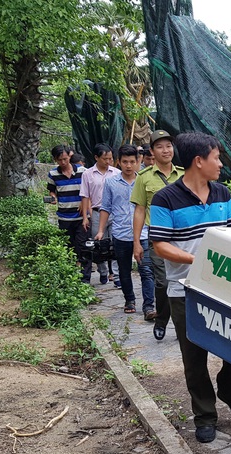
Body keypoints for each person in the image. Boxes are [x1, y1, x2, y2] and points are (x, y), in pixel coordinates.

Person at [149, 132, 231, 444]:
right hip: (185, 290)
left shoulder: (223, 194)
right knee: (194, 358)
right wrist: (199, 259)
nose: (220, 164)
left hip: (225, 289)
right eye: (216, 158)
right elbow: (160, 246)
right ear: (198, 161)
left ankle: (230, 389)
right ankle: (205, 416)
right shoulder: (165, 199)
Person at [132, 129, 183, 339]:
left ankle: (183, 326)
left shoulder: (184, 174)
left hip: (183, 238)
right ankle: (162, 320)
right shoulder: (144, 178)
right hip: (158, 239)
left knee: (183, 283)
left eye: (169, 145)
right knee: (162, 282)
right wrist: (136, 242)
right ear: (152, 151)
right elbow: (140, 210)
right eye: (160, 146)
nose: (166, 150)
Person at [95, 144, 154, 315]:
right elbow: (105, 207)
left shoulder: (143, 180)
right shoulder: (111, 183)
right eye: (125, 162)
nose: (129, 166)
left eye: (132, 162)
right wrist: (100, 230)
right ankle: (130, 300)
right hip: (120, 233)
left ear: (138, 162)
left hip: (143, 233)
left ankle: (149, 305)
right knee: (124, 270)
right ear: (118, 162)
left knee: (146, 270)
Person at [47, 145, 91, 282]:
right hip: (64, 216)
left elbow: (90, 191)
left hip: (82, 216)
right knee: (68, 247)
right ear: (55, 160)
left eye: (65, 159)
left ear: (70, 157)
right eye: (60, 160)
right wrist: (53, 197)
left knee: (84, 246)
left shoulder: (83, 172)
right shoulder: (53, 174)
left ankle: (85, 279)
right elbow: (52, 191)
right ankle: (71, 276)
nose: (63, 162)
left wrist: (84, 204)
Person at [80, 143, 120, 285]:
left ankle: (116, 275)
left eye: (110, 158)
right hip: (97, 212)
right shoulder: (88, 174)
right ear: (96, 157)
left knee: (115, 243)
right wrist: (85, 217)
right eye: (105, 159)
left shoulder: (116, 173)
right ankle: (103, 271)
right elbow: (85, 195)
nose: (108, 162)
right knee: (99, 244)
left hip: (115, 213)